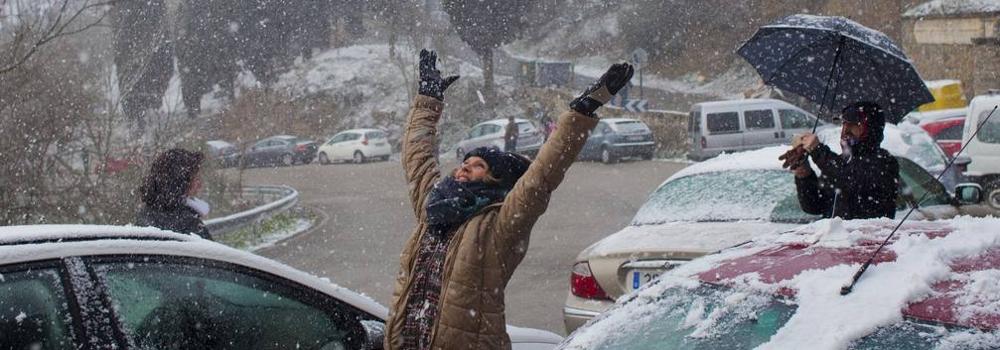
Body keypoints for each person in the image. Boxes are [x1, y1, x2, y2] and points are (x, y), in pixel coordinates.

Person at [386, 49, 633, 349]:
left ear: (495, 180)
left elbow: (540, 178)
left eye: (479, 165)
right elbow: (417, 156)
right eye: (466, 161)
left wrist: (583, 110)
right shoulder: (434, 208)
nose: (466, 166)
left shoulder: (498, 225)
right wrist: (428, 99)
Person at [779, 101, 899, 219]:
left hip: (869, 236)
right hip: (836, 237)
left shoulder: (884, 162)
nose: (845, 131)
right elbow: (814, 206)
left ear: (869, 129)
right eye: (844, 124)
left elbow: (849, 179)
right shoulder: (842, 162)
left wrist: (817, 151)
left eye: (853, 125)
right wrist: (804, 175)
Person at [135, 148, 213, 240]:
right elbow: (211, 252)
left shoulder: (146, 214)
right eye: (196, 178)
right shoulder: (186, 223)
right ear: (181, 181)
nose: (200, 184)